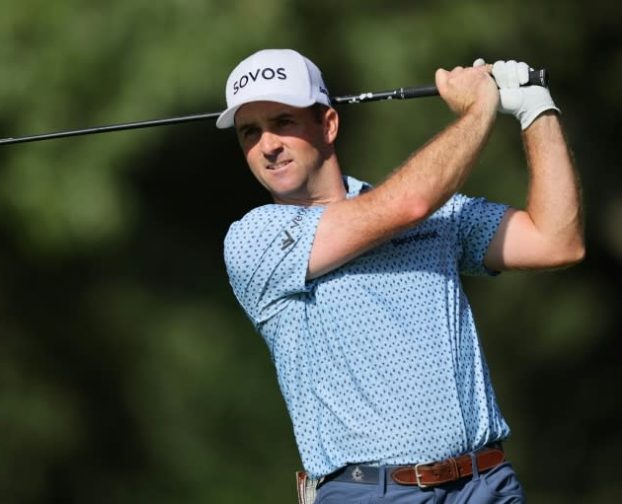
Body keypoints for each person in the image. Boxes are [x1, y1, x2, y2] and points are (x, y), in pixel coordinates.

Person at [217, 48, 584, 504]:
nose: (267, 145)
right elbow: (406, 204)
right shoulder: (254, 240)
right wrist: (479, 109)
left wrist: (537, 110)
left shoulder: (438, 216)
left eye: (283, 122)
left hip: (486, 483)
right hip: (374, 493)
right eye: (250, 132)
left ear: (328, 124)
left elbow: (557, 241)